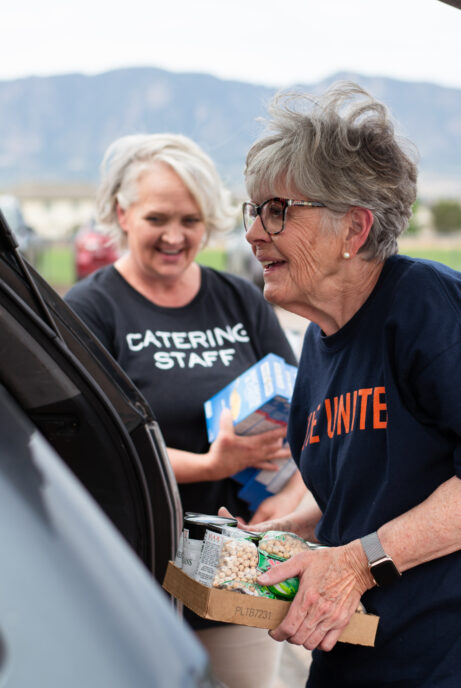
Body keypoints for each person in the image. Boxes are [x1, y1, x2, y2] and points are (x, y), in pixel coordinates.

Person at [236, 82, 461, 687]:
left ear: (353, 229)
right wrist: (282, 536)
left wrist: (357, 564)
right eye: (253, 210)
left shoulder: (430, 311)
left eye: (277, 210)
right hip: (366, 662)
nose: (254, 233)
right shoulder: (322, 343)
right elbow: (364, 490)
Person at [65, 133, 304, 688]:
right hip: (136, 567)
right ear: (122, 213)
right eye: (158, 218)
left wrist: (287, 504)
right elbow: (89, 451)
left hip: (234, 566)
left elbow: (304, 412)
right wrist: (209, 467)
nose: (175, 236)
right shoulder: (91, 309)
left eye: (191, 220)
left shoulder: (240, 299)